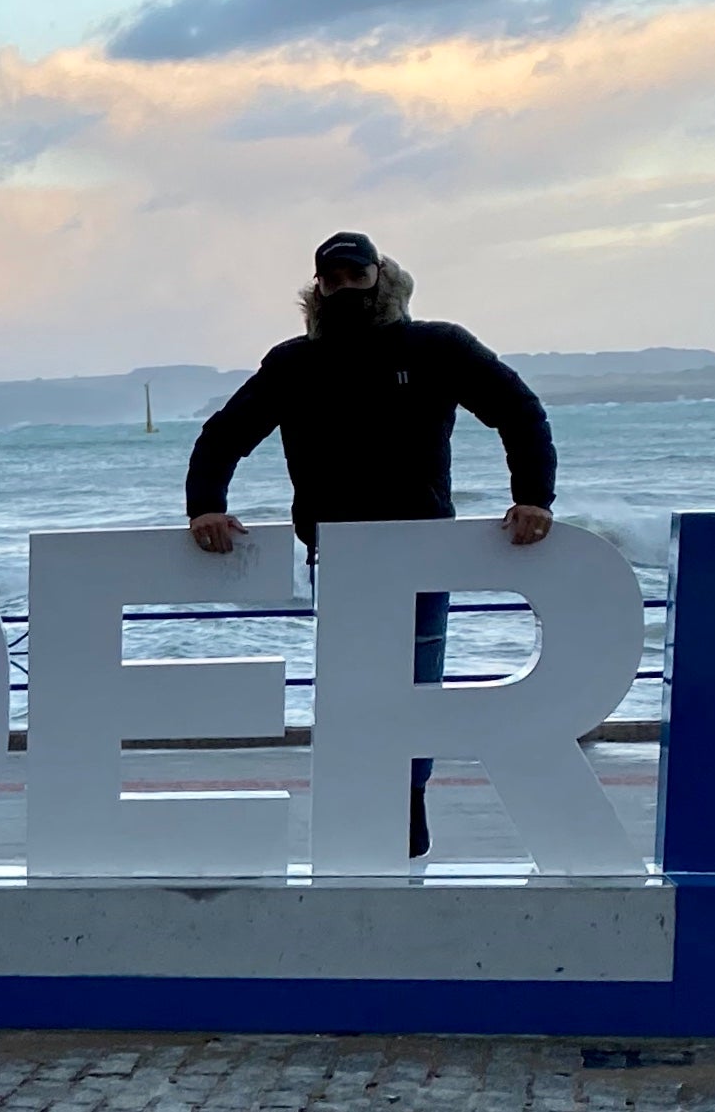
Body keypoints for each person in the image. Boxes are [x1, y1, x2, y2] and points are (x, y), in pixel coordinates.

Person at [187, 232, 556, 859]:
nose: (345, 287)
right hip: (343, 556)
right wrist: (207, 509)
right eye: (333, 278)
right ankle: (364, 827)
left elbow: (519, 410)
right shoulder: (294, 363)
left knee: (415, 690)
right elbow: (225, 434)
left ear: (380, 277)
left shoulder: (435, 346)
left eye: (357, 276)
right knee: (356, 697)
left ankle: (406, 825)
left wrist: (535, 498)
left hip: (422, 549)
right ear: (319, 287)